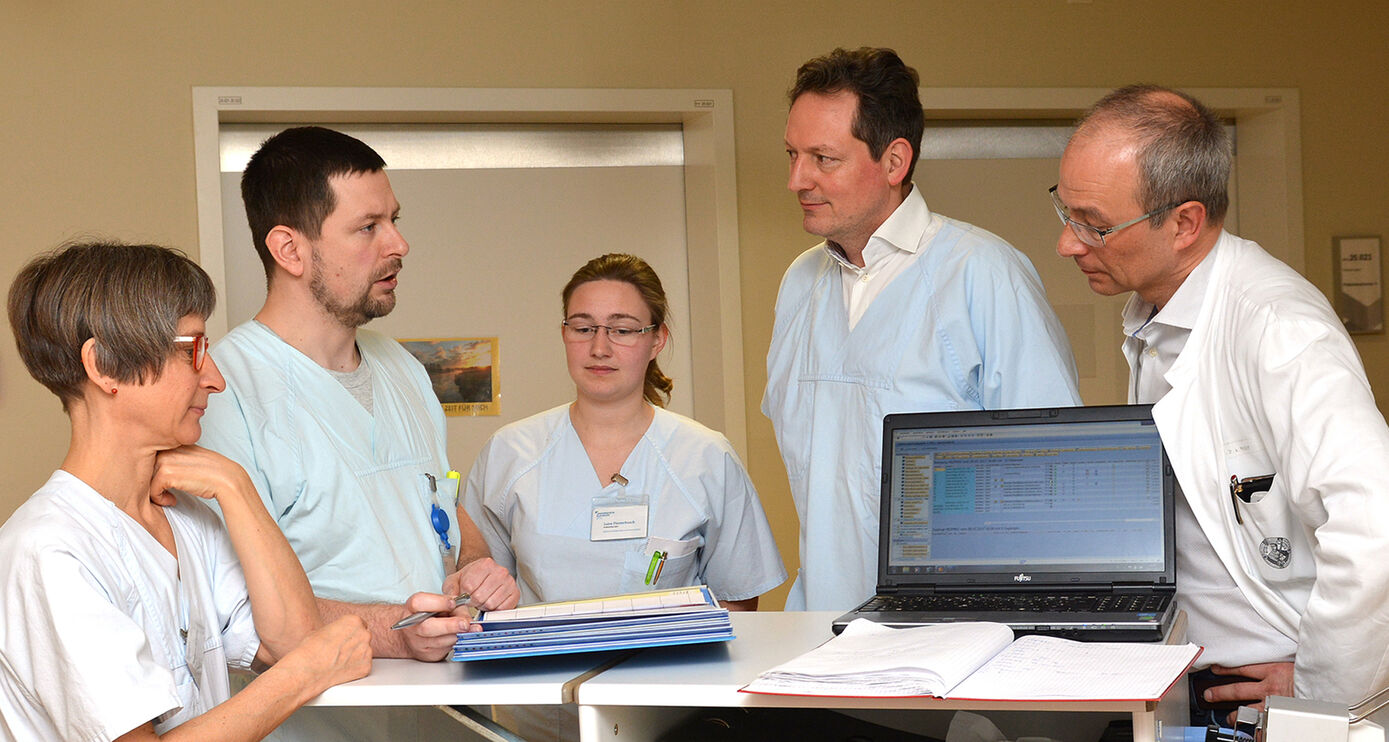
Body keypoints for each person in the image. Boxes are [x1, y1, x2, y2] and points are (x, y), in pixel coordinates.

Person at [1053, 84, 1389, 720]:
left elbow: (1377, 531)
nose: (1068, 244)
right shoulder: (1159, 317)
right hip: (1191, 677)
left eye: (1094, 225)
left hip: (1270, 691)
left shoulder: (1278, 329)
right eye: (1064, 212)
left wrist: (1321, 696)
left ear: (1184, 222)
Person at [196, 127, 518, 738]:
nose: (399, 244)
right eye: (368, 227)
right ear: (290, 250)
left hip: (440, 715)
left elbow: (437, 505)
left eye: (394, 220)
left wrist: (478, 572)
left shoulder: (402, 369)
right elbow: (234, 610)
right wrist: (393, 629)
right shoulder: (221, 389)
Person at [0, 241, 371, 741]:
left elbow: (295, 642)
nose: (215, 379)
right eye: (193, 349)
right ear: (105, 366)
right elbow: (306, 664)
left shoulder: (188, 517)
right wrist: (304, 676)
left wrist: (235, 486)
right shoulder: (47, 552)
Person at [764, 47, 1082, 612]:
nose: (796, 179)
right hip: (821, 635)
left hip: (955, 640)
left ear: (894, 161)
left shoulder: (982, 272)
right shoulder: (799, 284)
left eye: (823, 158)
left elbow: (1051, 478)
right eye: (792, 154)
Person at [465, 253, 786, 607]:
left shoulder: (704, 456)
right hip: (543, 662)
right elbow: (479, 590)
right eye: (583, 328)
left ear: (657, 340)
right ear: (564, 333)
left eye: (623, 330)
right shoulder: (510, 452)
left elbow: (737, 600)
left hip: (672, 663)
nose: (600, 348)